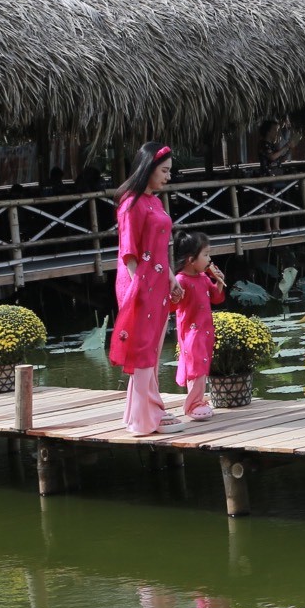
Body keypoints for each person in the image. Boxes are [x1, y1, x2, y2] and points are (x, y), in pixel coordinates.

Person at [109, 142, 179, 435]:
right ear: (148, 168)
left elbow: (160, 249)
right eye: (164, 171)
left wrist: (172, 278)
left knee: (151, 349)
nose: (168, 177)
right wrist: (139, 288)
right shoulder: (131, 204)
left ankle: (149, 410)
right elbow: (130, 254)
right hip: (140, 284)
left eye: (169, 171)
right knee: (142, 351)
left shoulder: (154, 201)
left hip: (158, 282)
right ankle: (144, 420)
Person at [171, 231, 227, 421]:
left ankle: (198, 401)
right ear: (190, 259)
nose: (209, 259)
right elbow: (172, 304)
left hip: (205, 330)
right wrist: (174, 295)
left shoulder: (203, 278)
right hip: (191, 332)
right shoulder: (180, 280)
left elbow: (216, 298)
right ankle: (192, 404)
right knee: (195, 367)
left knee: (202, 365)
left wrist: (219, 282)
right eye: (205, 255)